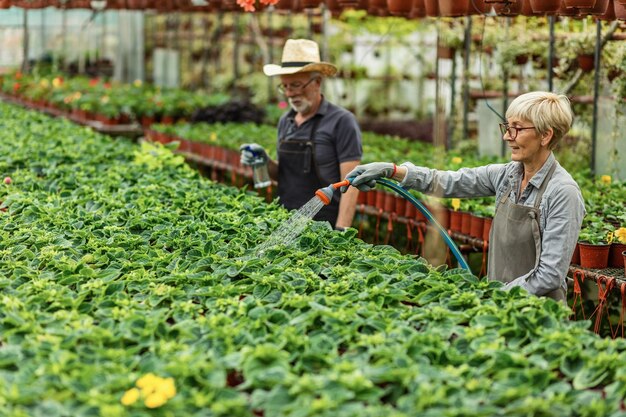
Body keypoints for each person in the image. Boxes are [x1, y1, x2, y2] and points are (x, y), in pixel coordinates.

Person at [342, 91, 585, 303]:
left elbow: (550, 275)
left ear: (545, 135)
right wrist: (394, 171)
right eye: (507, 127)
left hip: (538, 318)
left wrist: (493, 297)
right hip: (501, 308)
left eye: (517, 129)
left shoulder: (562, 192)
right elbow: (446, 182)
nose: (507, 137)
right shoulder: (507, 176)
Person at [240, 39, 362, 230]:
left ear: (317, 82)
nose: (289, 93)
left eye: (296, 85)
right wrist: (265, 161)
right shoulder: (286, 120)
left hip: (323, 226)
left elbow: (351, 183)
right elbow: (285, 176)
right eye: (285, 86)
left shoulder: (342, 121)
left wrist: (341, 232)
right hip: (284, 219)